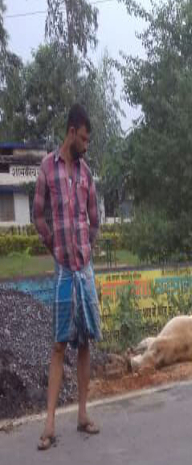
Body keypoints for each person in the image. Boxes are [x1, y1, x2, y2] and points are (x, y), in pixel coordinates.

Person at [33, 104, 103, 451]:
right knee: (59, 344)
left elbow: (95, 219)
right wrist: (54, 248)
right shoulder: (47, 168)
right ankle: (48, 425)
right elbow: (38, 215)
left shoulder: (87, 174)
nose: (87, 145)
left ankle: (82, 415)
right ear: (72, 131)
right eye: (84, 138)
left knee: (85, 341)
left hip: (84, 269)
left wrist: (86, 251)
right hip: (63, 269)